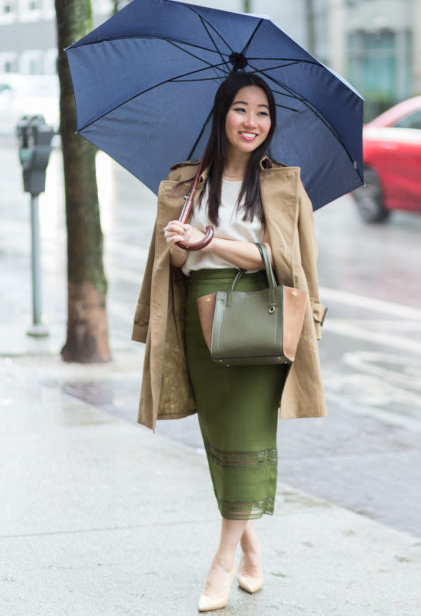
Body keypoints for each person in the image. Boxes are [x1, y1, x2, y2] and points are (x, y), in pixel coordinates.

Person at [132, 72, 327, 612]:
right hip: (200, 316)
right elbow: (173, 265)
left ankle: (222, 562)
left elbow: (289, 264)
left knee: (246, 437)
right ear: (223, 115)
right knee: (219, 440)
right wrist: (178, 243)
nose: (252, 122)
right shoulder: (184, 184)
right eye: (241, 109)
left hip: (257, 318)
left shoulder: (284, 185)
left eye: (263, 112)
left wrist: (212, 238)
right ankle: (253, 552)